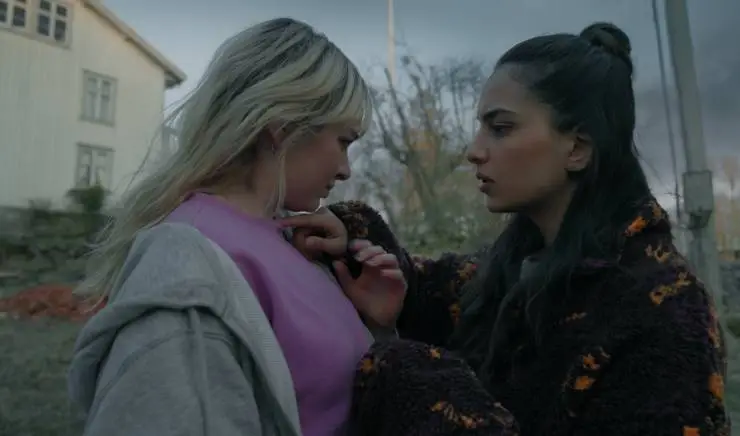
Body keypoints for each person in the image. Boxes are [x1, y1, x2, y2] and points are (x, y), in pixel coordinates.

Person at [282, 22, 730, 436]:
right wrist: (354, 243)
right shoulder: (514, 271)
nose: (474, 151)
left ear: (577, 148)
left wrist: (418, 388)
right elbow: (425, 289)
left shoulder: (664, 310)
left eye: (500, 128)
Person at [67, 18, 406, 436]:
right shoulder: (186, 261)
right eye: (344, 142)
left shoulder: (296, 241)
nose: (345, 169)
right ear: (283, 128)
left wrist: (376, 325)